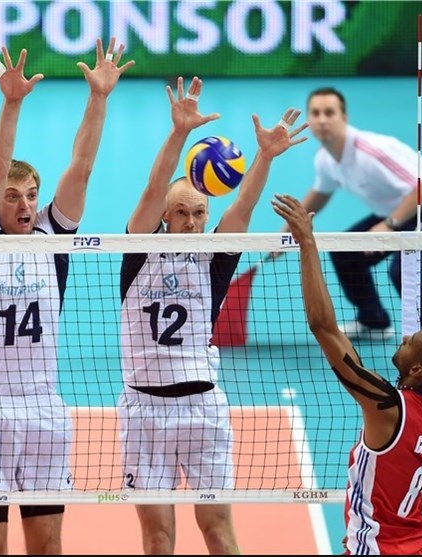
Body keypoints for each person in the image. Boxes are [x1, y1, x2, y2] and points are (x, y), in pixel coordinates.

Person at [0, 39, 132, 555]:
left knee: (48, 546)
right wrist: (12, 104)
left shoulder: (53, 237)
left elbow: (82, 165)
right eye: (13, 197)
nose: (25, 205)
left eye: (31, 195)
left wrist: (99, 97)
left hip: (43, 411)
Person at [118, 75, 308, 555]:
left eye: (200, 213)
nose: (192, 222)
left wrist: (265, 157)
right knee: (158, 538)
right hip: (143, 410)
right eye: (182, 212)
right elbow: (153, 187)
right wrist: (179, 133)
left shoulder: (215, 260)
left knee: (219, 531)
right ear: (164, 216)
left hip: (203, 408)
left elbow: (243, 204)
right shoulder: (138, 250)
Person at [272, 192, 422, 554]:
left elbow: (323, 326)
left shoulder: (385, 404)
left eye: (413, 341)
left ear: (416, 369)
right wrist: (393, 515)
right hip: (414, 547)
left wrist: (307, 242)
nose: (406, 336)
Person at [291, 86, 422, 373]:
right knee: (344, 251)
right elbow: (320, 193)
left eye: (329, 112)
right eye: (316, 113)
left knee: (403, 272)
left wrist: (387, 225)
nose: (322, 119)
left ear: (343, 117)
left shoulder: (370, 151)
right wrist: (289, 230)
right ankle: (374, 321)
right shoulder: (325, 158)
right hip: (397, 210)